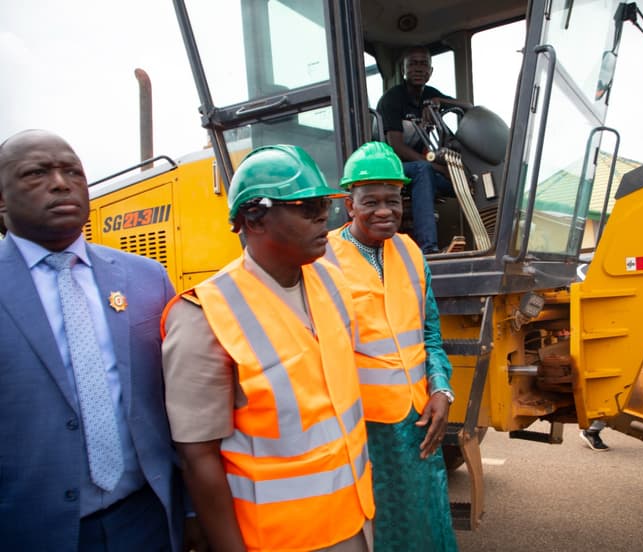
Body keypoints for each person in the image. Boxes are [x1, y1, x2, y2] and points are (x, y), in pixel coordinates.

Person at [161, 145, 375, 551]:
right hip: (279, 539)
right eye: (305, 207)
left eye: (323, 205)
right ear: (254, 219)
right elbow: (197, 457)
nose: (323, 218)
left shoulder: (329, 281)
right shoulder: (204, 315)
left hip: (355, 519)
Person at [0, 129, 187, 549]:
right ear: (1, 198)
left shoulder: (146, 279)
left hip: (147, 520)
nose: (61, 183)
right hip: (30, 531)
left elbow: (180, 402)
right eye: (36, 173)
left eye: (73, 172)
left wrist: (192, 511)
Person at [326, 142, 457, 551]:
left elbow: (429, 333)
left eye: (393, 199)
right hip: (363, 428)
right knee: (377, 529)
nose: (385, 210)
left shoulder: (411, 252)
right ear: (350, 204)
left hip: (417, 420)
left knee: (425, 520)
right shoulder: (323, 259)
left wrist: (440, 389)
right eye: (371, 201)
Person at [376, 46, 468, 254]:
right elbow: (397, 147)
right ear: (404, 70)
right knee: (423, 171)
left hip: (419, 165)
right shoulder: (392, 99)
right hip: (390, 166)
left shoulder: (429, 94)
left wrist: (439, 102)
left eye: (423, 64)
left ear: (431, 71)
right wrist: (436, 166)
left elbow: (467, 106)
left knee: (461, 177)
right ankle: (428, 248)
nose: (419, 68)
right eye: (413, 64)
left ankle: (482, 242)